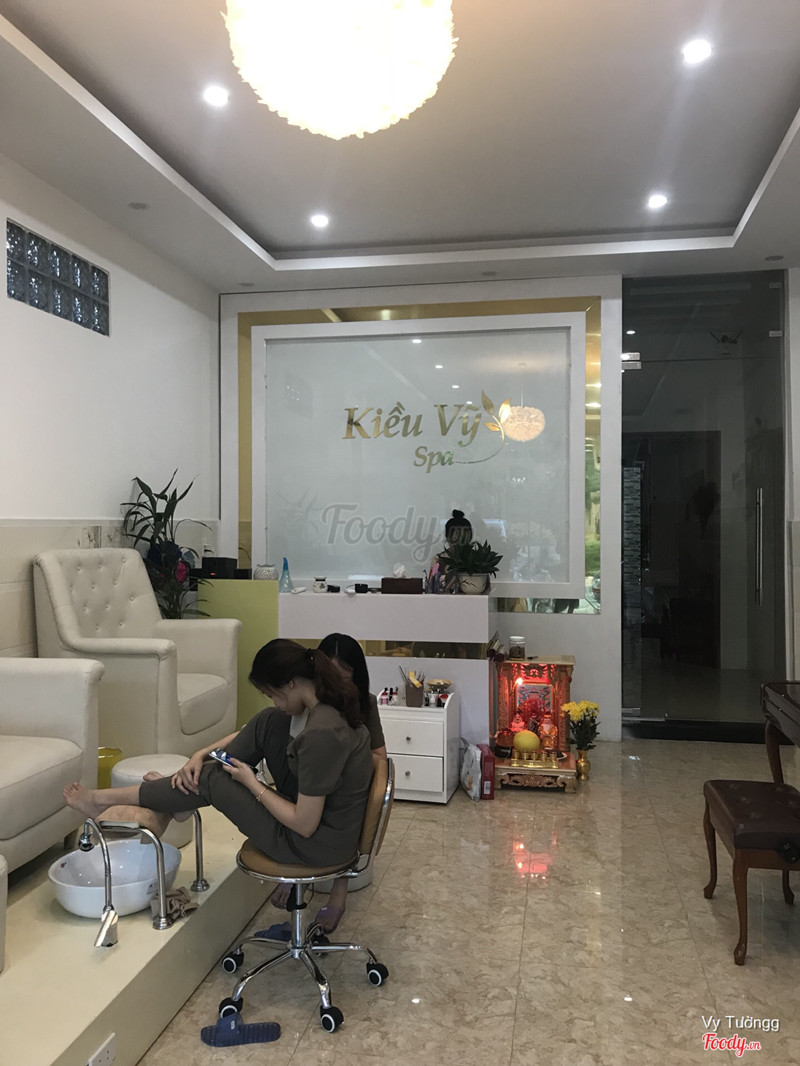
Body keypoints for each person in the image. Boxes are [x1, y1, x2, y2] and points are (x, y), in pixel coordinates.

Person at [64, 639, 375, 875]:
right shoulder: (327, 706)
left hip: (312, 845)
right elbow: (252, 731)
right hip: (321, 831)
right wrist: (200, 754)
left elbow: (304, 824)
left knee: (213, 777)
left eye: (272, 694)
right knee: (267, 723)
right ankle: (179, 797)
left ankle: (103, 799)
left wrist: (252, 783)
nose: (275, 702)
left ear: (291, 683)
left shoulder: (321, 735)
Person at [314, 632, 387, 931]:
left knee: (347, 803)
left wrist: (348, 756)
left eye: (344, 678)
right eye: (329, 678)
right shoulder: (310, 703)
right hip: (315, 780)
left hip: (350, 786)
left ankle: (339, 891)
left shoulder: (365, 703)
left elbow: (380, 758)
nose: (336, 688)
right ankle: (295, 876)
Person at [428, 508, 473, 592]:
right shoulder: (438, 560)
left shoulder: (476, 560)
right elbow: (432, 586)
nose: (459, 545)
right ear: (447, 537)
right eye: (456, 540)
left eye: (463, 540)